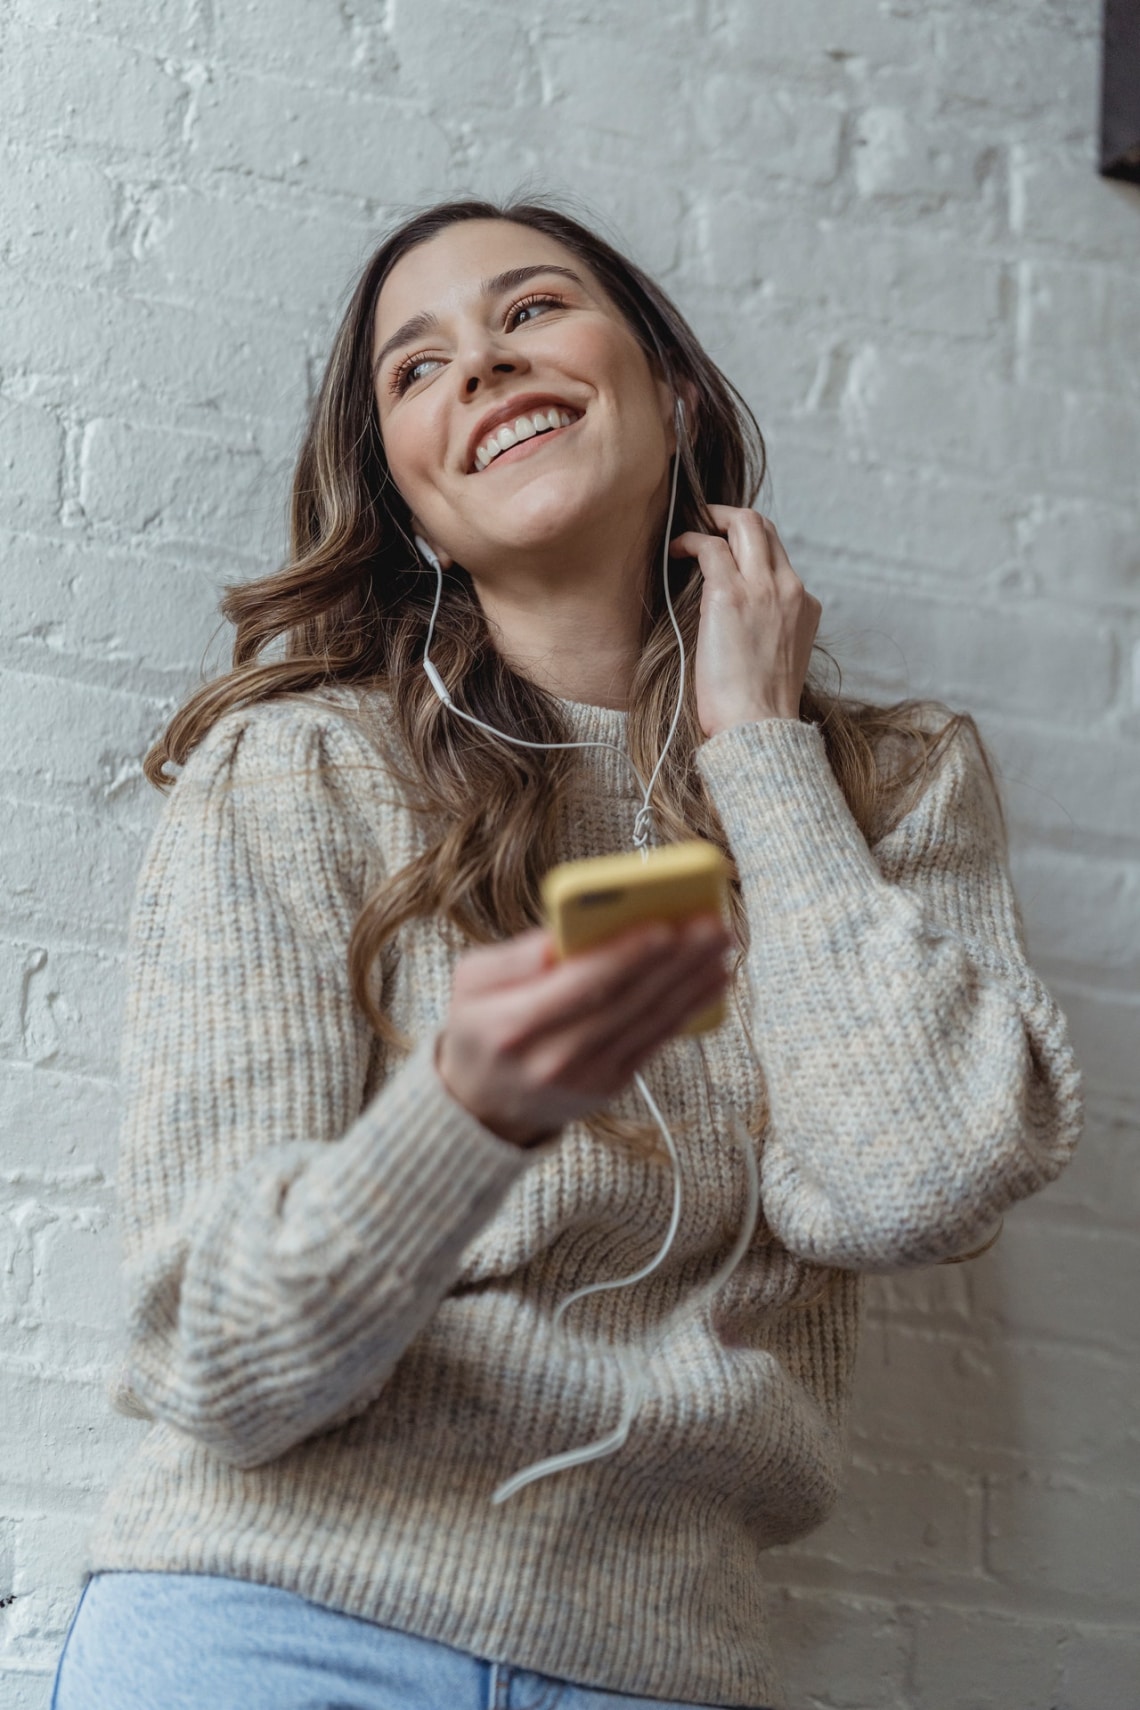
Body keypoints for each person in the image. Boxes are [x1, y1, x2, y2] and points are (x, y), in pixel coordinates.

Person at [51, 197, 1083, 1710]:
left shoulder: (896, 785)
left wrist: (763, 759)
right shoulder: (302, 772)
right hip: (267, 1626)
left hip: (655, 1659)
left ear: (670, 388)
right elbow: (222, 1358)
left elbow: (911, 1179)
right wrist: (460, 1114)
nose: (478, 364)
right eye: (416, 367)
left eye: (530, 311)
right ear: (406, 500)